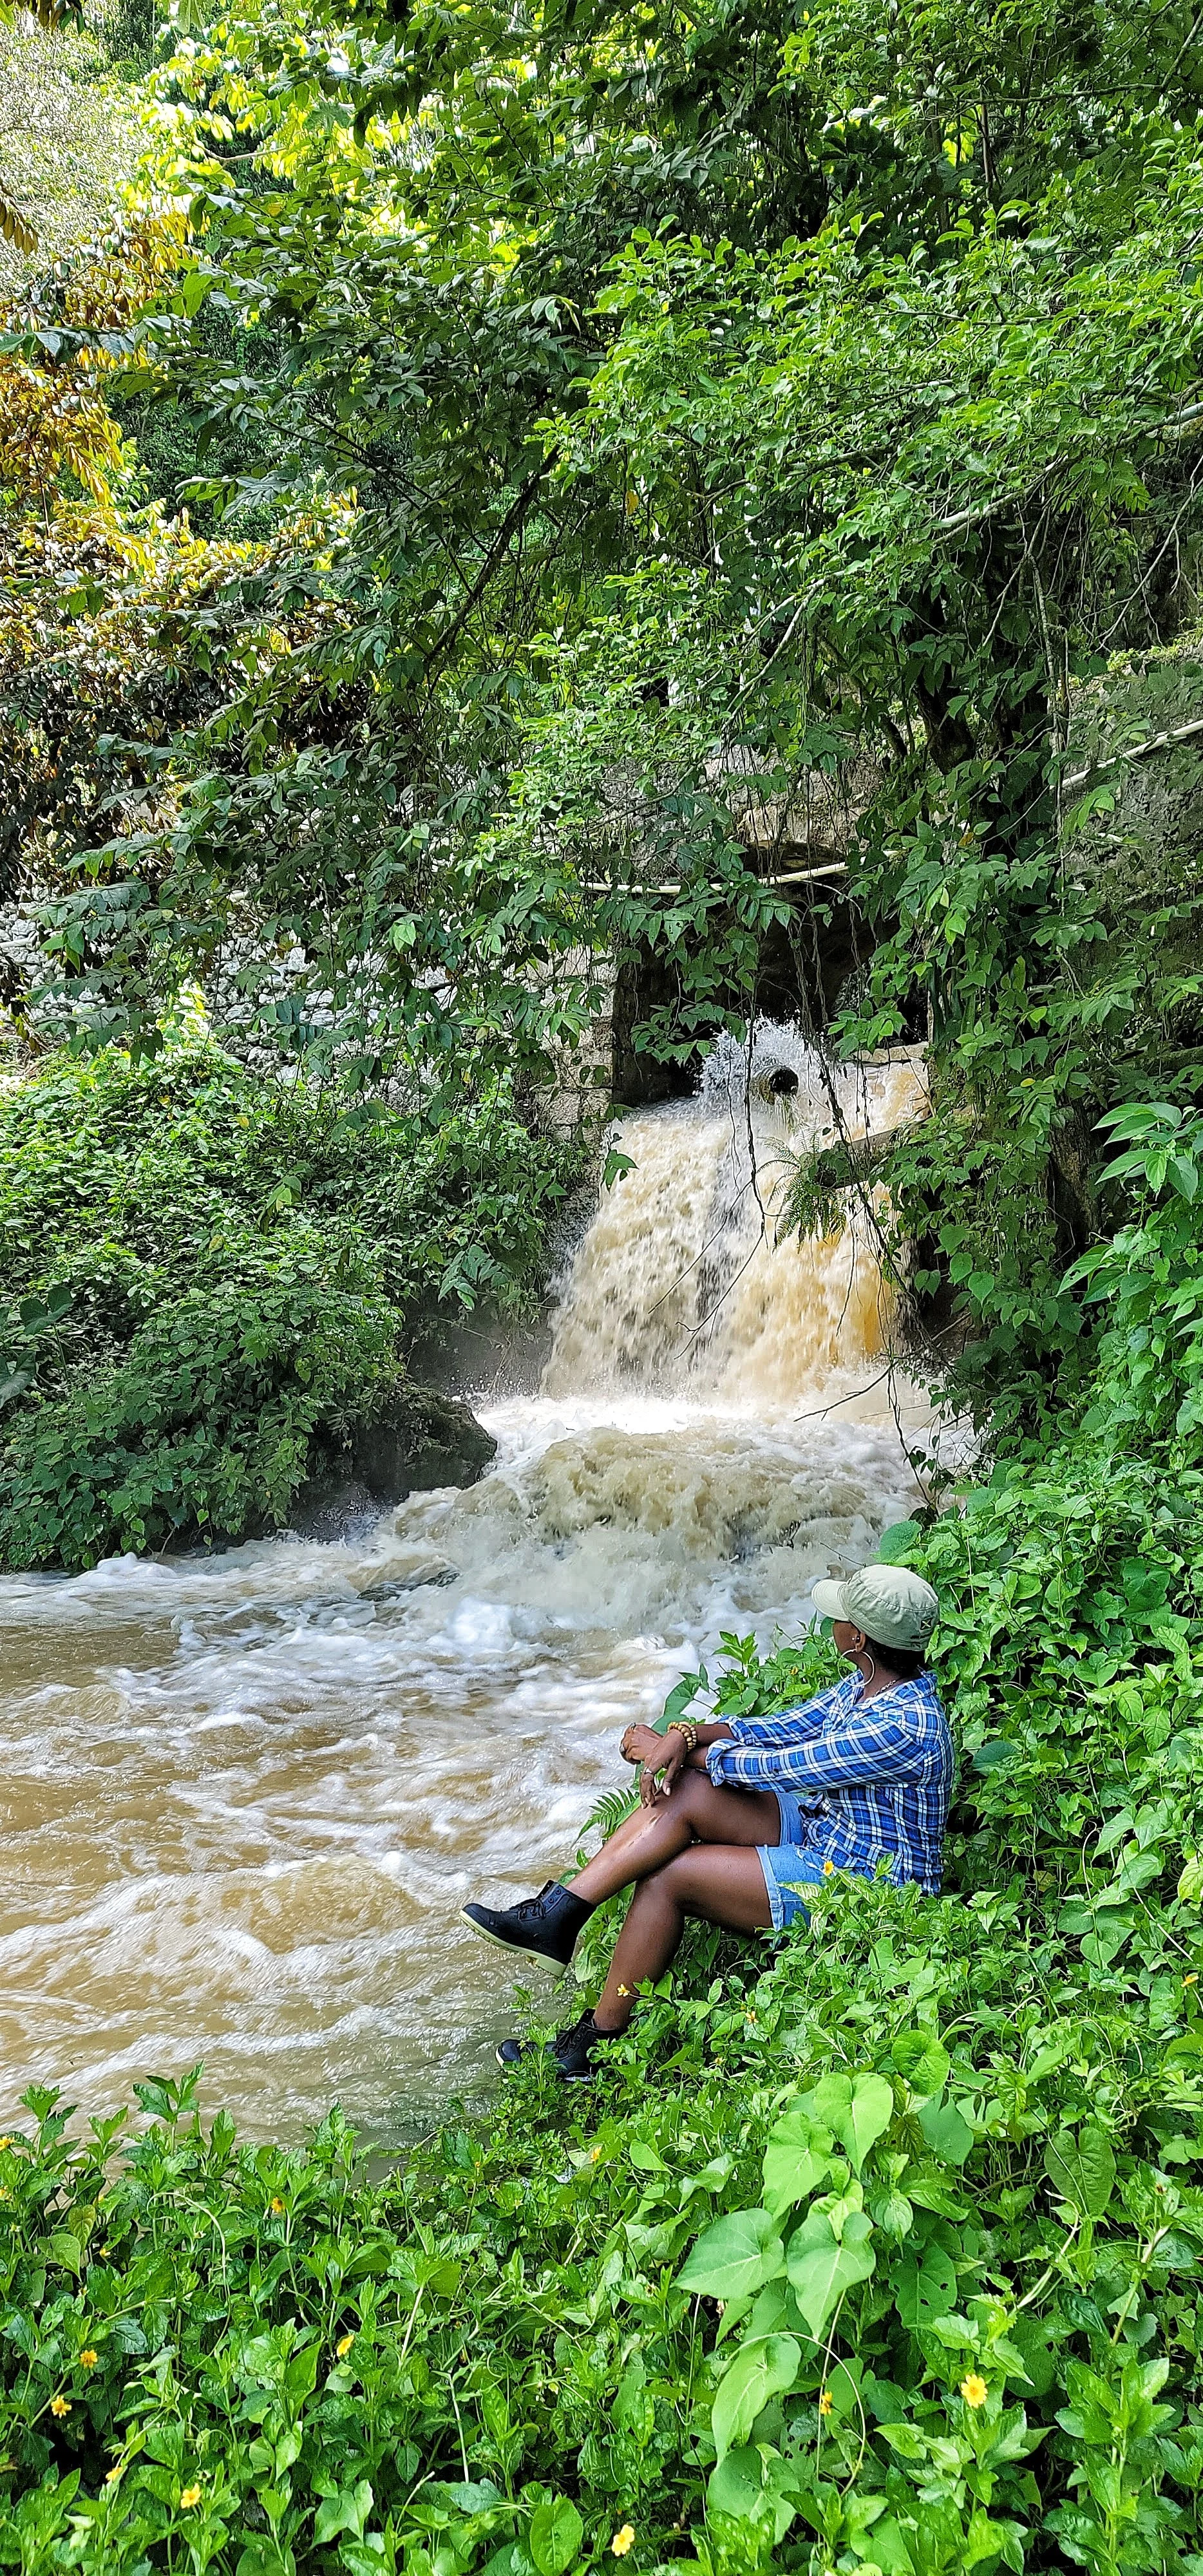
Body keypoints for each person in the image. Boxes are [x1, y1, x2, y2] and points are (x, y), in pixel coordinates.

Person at [462, 1562, 951, 2080]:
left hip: (866, 1885)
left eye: (839, 1618)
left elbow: (775, 1768)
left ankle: (594, 2051)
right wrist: (688, 1735)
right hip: (825, 1829)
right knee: (693, 1787)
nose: (829, 1623)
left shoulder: (903, 1726)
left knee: (670, 1877)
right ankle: (557, 1916)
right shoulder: (868, 1687)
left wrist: (663, 1746)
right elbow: (778, 1729)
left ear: (856, 1637)